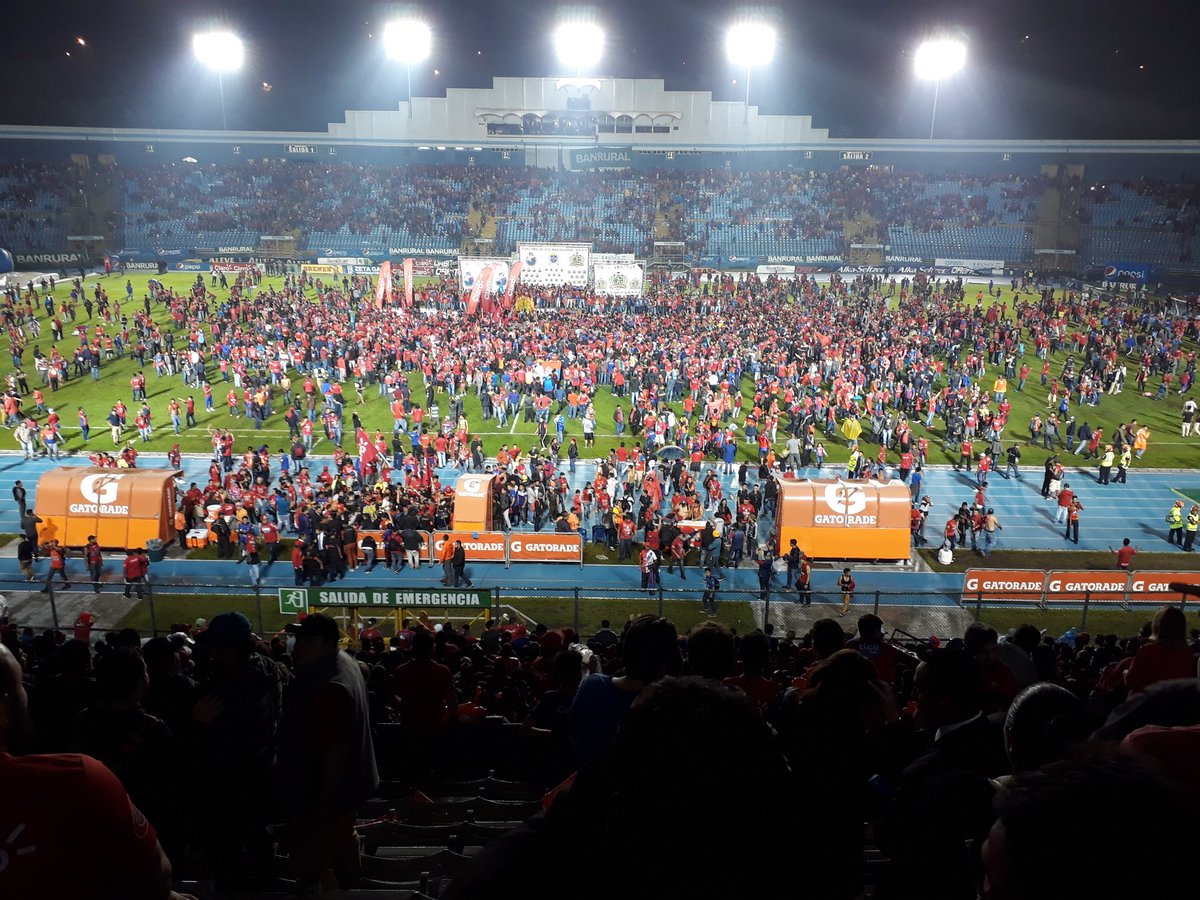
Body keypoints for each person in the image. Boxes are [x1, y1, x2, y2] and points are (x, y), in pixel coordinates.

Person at [0, 643, 193, 900]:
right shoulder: (78, 774)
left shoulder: (82, 721)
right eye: (18, 689)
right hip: (147, 828)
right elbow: (158, 873)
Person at [278, 613, 379, 893]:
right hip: (346, 790)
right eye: (299, 639)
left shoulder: (330, 685)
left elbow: (335, 751)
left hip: (325, 796)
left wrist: (323, 801)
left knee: (314, 865)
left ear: (328, 643)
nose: (298, 647)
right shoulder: (347, 664)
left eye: (307, 641)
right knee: (343, 841)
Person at [1125, 607, 1196, 694]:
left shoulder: (1148, 651)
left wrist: (1124, 673)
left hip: (1147, 702)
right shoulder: (1190, 654)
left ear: (1157, 626)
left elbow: (1131, 681)